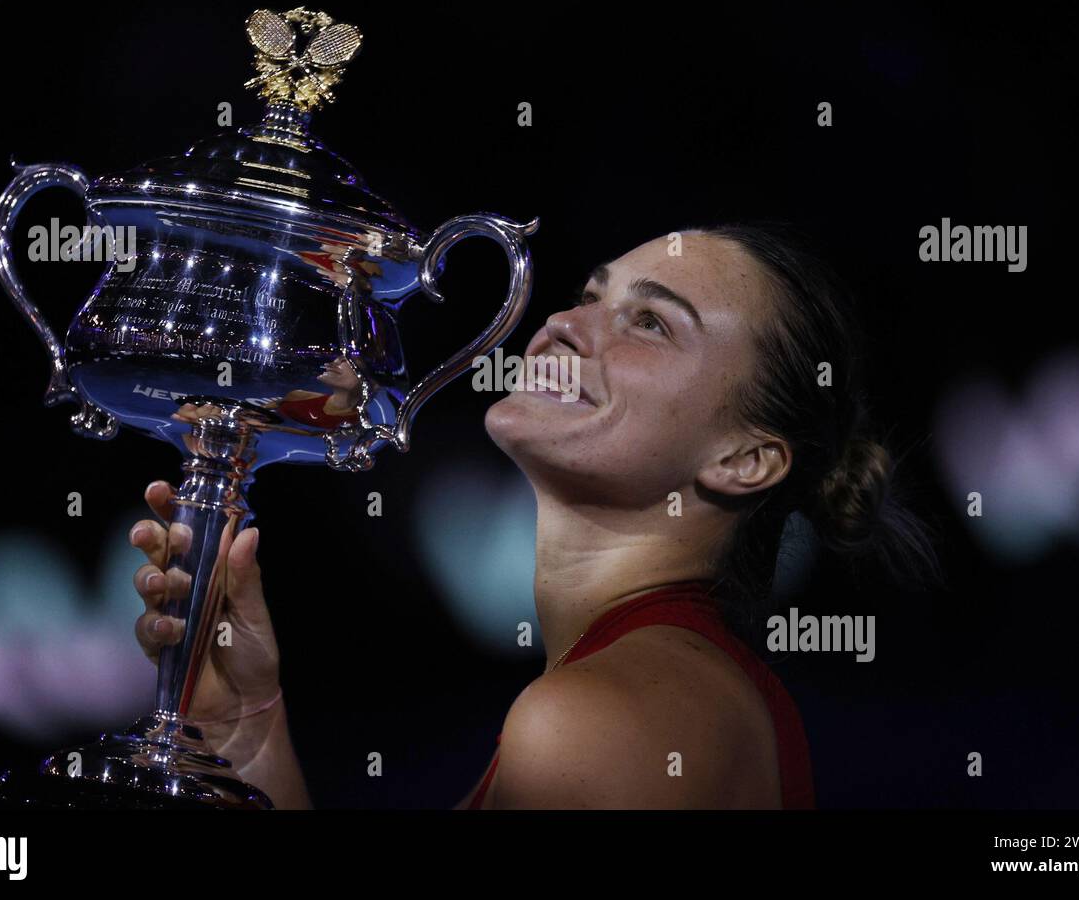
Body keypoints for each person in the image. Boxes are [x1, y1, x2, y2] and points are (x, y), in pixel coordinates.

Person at [128, 222, 942, 809]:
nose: (561, 325)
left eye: (650, 323)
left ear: (743, 460)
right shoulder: (667, 689)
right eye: (591, 297)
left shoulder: (597, 720)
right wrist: (247, 735)